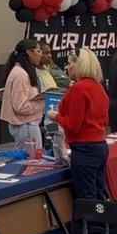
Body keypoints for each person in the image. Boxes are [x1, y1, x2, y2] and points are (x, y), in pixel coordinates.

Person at [47, 48, 108, 200]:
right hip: (99, 146)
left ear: (78, 65)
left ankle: (88, 224)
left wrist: (56, 116)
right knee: (98, 195)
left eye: (68, 64)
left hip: (84, 149)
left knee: (86, 198)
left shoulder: (78, 89)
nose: (66, 68)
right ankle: (101, 224)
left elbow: (73, 125)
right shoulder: (98, 87)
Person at [0, 39, 45, 149]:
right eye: (38, 51)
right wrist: (42, 103)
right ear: (29, 52)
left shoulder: (20, 71)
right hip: (26, 126)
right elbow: (20, 106)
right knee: (31, 162)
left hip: (26, 126)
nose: (41, 55)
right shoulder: (21, 74)